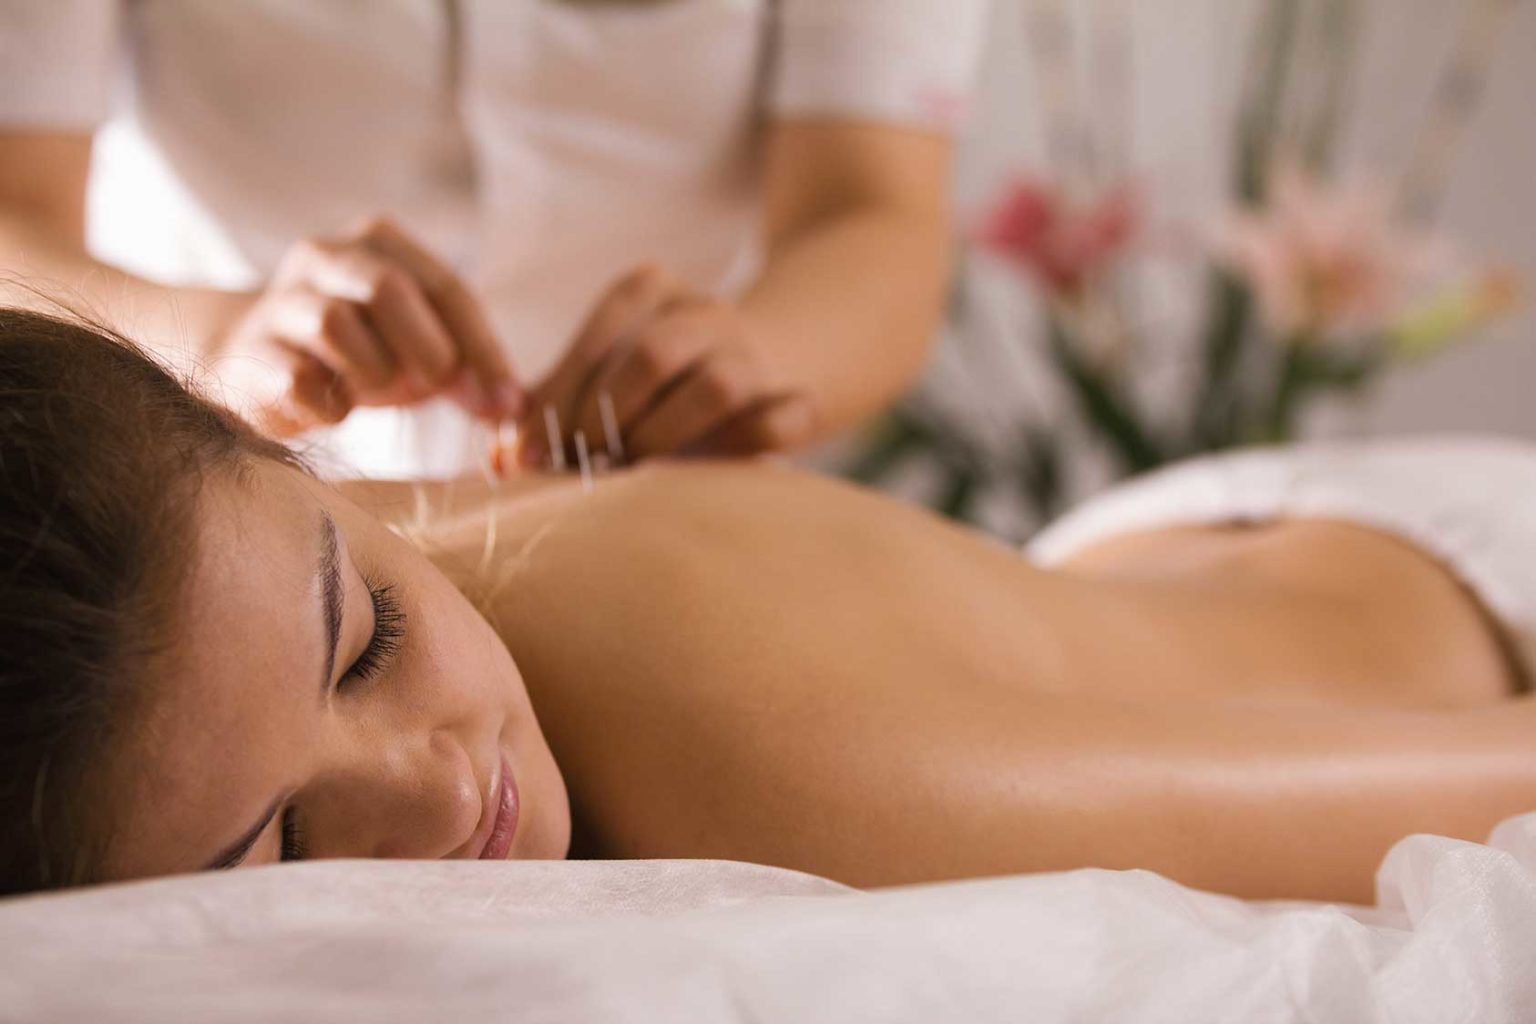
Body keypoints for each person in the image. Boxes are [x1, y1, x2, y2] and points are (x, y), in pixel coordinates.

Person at [3, 307, 1534, 903]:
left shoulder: (809, 774)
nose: (436, 786)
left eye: (368, 641)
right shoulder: (231, 558)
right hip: (1153, 561)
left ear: (291, 455)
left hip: (1468, 589)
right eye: (281, 845)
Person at [0, 0, 987, 477]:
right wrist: (218, 342)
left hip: (654, 514)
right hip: (215, 478)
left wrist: (749, 358)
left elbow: (872, 212)